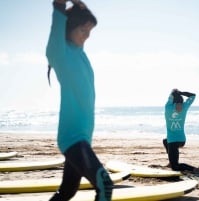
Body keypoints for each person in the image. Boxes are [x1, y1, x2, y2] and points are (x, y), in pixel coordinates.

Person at [46, 0, 113, 200]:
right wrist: (61, 7)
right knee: (105, 184)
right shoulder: (60, 54)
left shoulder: (80, 54)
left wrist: (81, 7)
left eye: (90, 31)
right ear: (70, 26)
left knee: (67, 191)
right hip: (72, 138)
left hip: (83, 138)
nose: (87, 35)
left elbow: (82, 17)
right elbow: (58, 11)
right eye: (83, 30)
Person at [163, 89, 199, 174]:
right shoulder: (184, 107)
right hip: (182, 140)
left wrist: (175, 92)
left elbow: (171, 96)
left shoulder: (168, 107)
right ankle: (171, 162)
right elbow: (193, 95)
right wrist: (181, 93)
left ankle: (195, 169)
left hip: (173, 142)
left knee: (175, 167)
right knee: (164, 140)